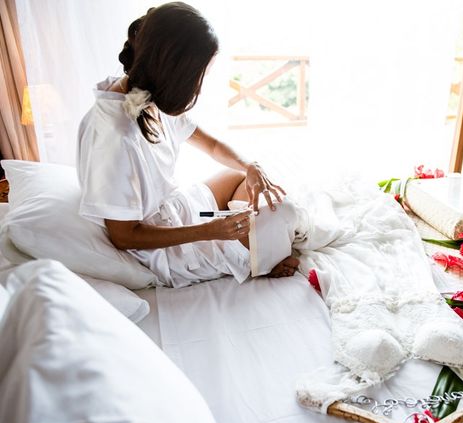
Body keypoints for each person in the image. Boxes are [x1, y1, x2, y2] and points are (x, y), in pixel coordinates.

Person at [76, 2, 299, 288]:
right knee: (281, 215)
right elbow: (124, 235)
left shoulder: (142, 92)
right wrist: (209, 231)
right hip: (158, 245)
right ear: (175, 71)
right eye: (200, 73)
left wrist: (250, 165)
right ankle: (262, 260)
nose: (199, 83)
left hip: (172, 210)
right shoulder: (115, 137)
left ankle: (262, 248)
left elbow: (213, 146)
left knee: (242, 180)